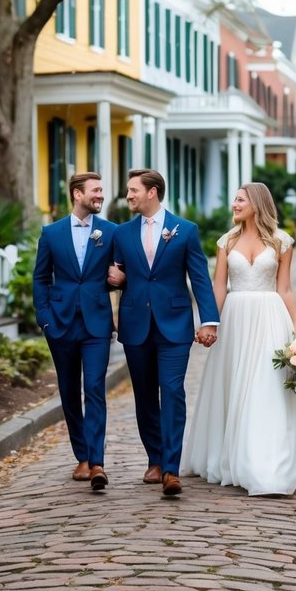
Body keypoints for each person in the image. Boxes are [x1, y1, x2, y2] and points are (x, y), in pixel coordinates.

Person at [181, 181, 296, 496]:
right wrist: (209, 323)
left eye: (240, 200)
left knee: (266, 386)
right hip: (236, 319)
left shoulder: (282, 241)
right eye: (235, 199)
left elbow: (285, 289)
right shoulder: (226, 241)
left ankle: (268, 462)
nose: (234, 204)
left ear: (256, 203)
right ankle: (234, 456)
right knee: (237, 384)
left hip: (270, 317)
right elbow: (218, 287)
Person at [109, 169, 220, 497]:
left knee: (172, 391)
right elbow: (118, 275)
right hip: (135, 324)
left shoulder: (185, 230)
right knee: (144, 395)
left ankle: (171, 468)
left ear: (152, 192)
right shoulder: (121, 233)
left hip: (174, 323)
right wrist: (114, 280)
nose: (128, 196)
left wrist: (209, 320)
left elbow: (199, 277)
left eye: (133, 190)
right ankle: (154, 459)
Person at [33, 171, 120, 493]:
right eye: (95, 191)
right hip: (61, 323)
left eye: (101, 191)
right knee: (69, 391)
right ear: (76, 194)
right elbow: (40, 278)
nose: (100, 196)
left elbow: (123, 272)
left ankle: (97, 462)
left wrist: (119, 281)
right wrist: (45, 321)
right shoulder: (51, 233)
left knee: (95, 388)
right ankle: (81, 455)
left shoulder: (110, 233)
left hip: (97, 323)